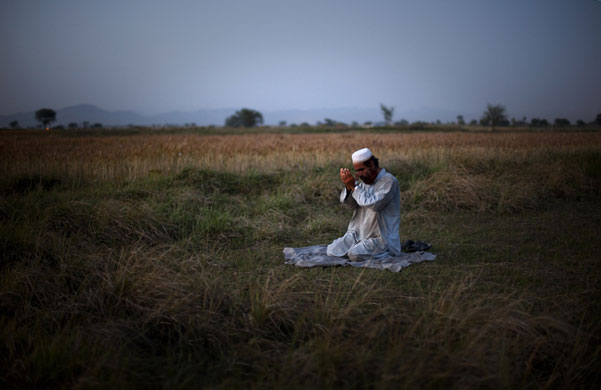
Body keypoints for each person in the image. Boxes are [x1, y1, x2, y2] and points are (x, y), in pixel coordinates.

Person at [326, 148, 401, 261]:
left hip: (380, 238)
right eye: (356, 171)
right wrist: (349, 187)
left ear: (371, 164)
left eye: (361, 170)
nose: (358, 174)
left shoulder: (389, 182)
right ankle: (358, 246)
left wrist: (355, 188)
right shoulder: (363, 181)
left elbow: (374, 204)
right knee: (332, 250)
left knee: (355, 255)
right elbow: (351, 205)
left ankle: (383, 251)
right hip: (358, 233)